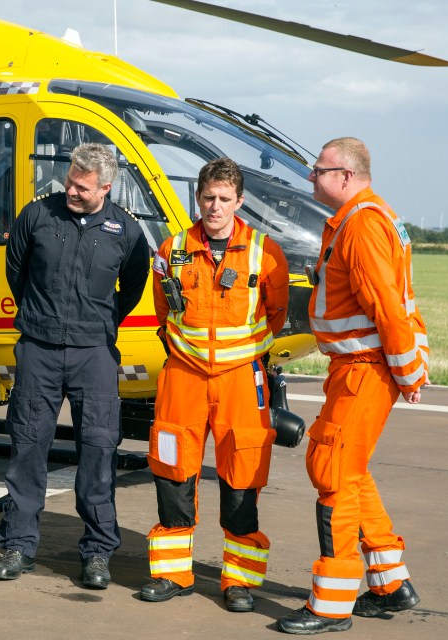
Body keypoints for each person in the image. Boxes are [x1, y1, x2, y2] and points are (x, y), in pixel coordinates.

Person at [277, 137, 428, 634]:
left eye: (317, 171)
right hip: (356, 368)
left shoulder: (361, 225)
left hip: (366, 367)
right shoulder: (368, 216)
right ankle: (390, 584)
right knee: (352, 470)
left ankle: (332, 604)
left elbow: (387, 305)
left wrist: (407, 373)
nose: (310, 179)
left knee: (333, 471)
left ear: (345, 175)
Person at [0, 142, 150, 589]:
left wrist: (99, 322)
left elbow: (133, 285)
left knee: (99, 452)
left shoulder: (127, 231)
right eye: (69, 182)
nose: (71, 191)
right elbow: (16, 272)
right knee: (27, 447)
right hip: (39, 348)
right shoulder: (38, 216)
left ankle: (98, 552)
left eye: (81, 187)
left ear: (105, 186)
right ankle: (18, 545)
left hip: (94, 353)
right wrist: (41, 316)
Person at [140, 158, 289, 611]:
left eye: (225, 199)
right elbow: (165, 312)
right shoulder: (172, 249)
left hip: (242, 378)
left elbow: (276, 313)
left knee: (242, 476)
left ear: (239, 201)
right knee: (172, 470)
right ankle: (172, 574)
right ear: (198, 197)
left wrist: (241, 357)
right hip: (183, 376)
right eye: (208, 198)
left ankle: (239, 582)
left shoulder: (266, 253)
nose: (215, 207)